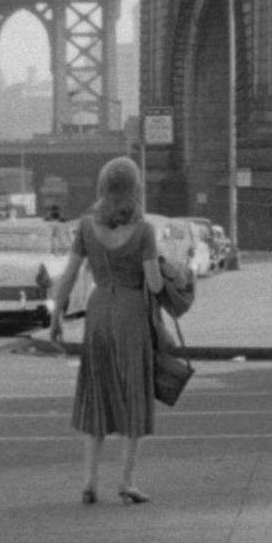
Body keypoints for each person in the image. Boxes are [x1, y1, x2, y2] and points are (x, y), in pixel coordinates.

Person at [50, 156, 173, 506]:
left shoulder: (87, 228)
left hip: (99, 311)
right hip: (132, 315)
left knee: (97, 394)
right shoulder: (143, 231)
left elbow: (69, 275)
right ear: (136, 190)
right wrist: (168, 270)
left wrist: (56, 315)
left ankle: (89, 481)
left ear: (103, 188)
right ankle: (126, 482)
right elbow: (154, 283)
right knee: (133, 393)